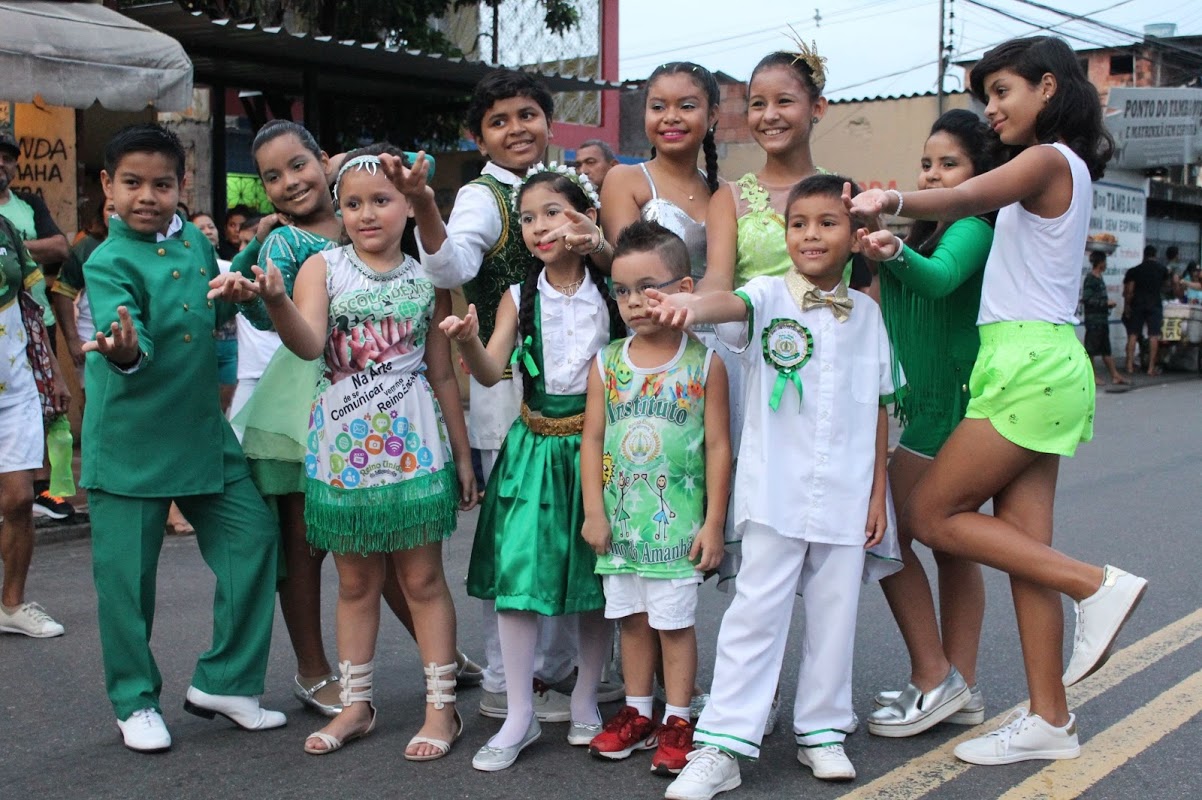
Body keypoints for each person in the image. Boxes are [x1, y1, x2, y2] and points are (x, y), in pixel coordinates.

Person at [848, 36, 1148, 766]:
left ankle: (1095, 585)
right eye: (986, 95)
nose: (993, 107)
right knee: (1023, 554)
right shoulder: (1056, 168)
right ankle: (1051, 720)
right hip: (1030, 363)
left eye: (1003, 91)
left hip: (1028, 365)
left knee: (927, 513)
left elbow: (966, 196)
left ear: (1048, 87)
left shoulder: (1045, 161)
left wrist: (893, 199)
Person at [219, 144, 476, 759]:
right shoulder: (324, 269)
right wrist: (276, 298)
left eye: (381, 201)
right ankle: (357, 705)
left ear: (408, 208)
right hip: (341, 448)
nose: (366, 214)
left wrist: (464, 457)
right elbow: (308, 346)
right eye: (352, 203)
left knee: (422, 579)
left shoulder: (430, 278)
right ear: (339, 211)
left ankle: (442, 712)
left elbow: (443, 374)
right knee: (356, 583)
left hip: (416, 449)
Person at [649, 174, 896, 796]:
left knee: (837, 614)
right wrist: (686, 307)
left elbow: (878, 407)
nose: (811, 235)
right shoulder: (766, 294)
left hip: (847, 492)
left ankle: (822, 730)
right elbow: (724, 304)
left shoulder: (868, 315)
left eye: (827, 223)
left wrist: (876, 496)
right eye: (798, 224)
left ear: (854, 233)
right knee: (755, 613)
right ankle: (723, 745)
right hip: (775, 489)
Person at [81, 123, 284, 753]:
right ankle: (135, 700)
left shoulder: (195, 246)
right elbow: (130, 337)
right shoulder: (106, 260)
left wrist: (244, 273)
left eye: (162, 183)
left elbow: (211, 311)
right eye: (133, 183)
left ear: (182, 185)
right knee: (126, 585)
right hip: (131, 443)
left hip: (202, 435)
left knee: (254, 538)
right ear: (107, 187)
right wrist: (122, 350)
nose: (148, 196)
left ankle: (225, 681)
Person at [415, 69, 593, 722]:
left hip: (580, 402)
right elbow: (453, 267)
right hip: (507, 398)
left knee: (575, 537)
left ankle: (568, 673)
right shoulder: (482, 198)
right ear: (479, 136)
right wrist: (427, 211)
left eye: (527, 115)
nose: (516, 128)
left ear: (549, 123)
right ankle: (507, 677)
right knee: (519, 545)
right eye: (499, 120)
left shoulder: (576, 189)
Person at [437, 165, 626, 771]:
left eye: (553, 212)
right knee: (518, 580)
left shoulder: (614, 286)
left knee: (597, 578)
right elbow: (492, 370)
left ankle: (584, 701)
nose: (539, 227)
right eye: (527, 218)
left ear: (584, 216)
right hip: (535, 446)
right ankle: (518, 713)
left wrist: (601, 247)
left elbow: (648, 282)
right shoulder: (519, 296)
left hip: (603, 447)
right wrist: (467, 340)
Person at [853, 109, 1003, 738]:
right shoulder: (920, 230)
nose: (933, 174)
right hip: (924, 406)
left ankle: (934, 673)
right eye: (926, 163)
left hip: (953, 410)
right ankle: (955, 686)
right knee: (949, 543)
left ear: (978, 175)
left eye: (950, 165)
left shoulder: (971, 226)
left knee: (887, 535)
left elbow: (939, 284)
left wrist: (892, 249)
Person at [580, 220, 730, 774]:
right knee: (632, 622)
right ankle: (638, 713)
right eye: (621, 290)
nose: (634, 302)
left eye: (649, 287)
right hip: (621, 526)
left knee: (674, 624)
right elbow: (592, 438)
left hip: (677, 528)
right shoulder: (608, 363)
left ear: (684, 288)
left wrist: (713, 523)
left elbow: (718, 446)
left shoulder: (704, 363)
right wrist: (594, 511)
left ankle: (679, 719)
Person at [0, 213, 69, 638]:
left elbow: (31, 308)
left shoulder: (6, 228)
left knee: (20, 499)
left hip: (16, 388)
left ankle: (11, 604)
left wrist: (54, 374)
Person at [0, 132, 73, 521]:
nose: (1, 163)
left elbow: (61, 247)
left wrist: (11, 249)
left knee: (44, 403)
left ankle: (42, 487)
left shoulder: (27, 205)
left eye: (8, 158)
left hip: (32, 320)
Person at [601, 62, 721, 281]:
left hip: (723, 313)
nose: (671, 117)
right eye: (658, 107)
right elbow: (628, 272)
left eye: (687, 106)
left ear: (712, 115)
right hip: (651, 312)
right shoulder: (625, 180)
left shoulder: (722, 190)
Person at [53, 198, 116, 373]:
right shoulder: (88, 246)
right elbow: (62, 291)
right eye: (111, 209)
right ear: (101, 214)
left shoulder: (147, 244)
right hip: (91, 335)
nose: (116, 214)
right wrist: (73, 341)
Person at [1082, 251, 1127, 386]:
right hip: (1094, 321)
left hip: (1102, 320)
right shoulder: (1091, 279)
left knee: (1106, 349)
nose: (1106, 265)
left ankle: (1115, 375)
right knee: (1091, 350)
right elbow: (1087, 299)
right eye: (1105, 262)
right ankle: (1091, 376)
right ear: (1100, 263)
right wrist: (1104, 303)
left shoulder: (1099, 277)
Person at [1123, 245, 1167, 377]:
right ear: (1155, 255)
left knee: (1133, 334)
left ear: (1144, 255)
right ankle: (1151, 368)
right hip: (1155, 304)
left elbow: (1129, 291)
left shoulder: (1135, 270)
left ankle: (1130, 365)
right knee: (1153, 336)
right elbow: (1165, 287)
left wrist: (1127, 306)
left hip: (1138, 304)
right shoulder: (1162, 270)